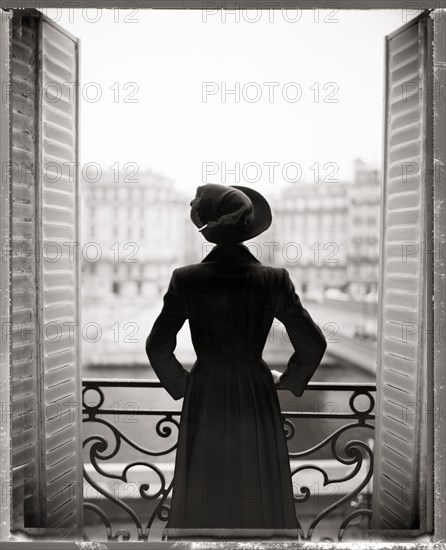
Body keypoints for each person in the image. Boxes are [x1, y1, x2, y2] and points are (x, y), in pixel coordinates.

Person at [145, 183, 327, 540]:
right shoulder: (274, 279)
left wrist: (184, 386)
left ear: (208, 229)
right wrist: (289, 379)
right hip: (255, 390)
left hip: (206, 390)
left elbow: (157, 346)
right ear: (247, 229)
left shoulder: (187, 278)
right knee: (256, 476)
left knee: (205, 477)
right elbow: (313, 344)